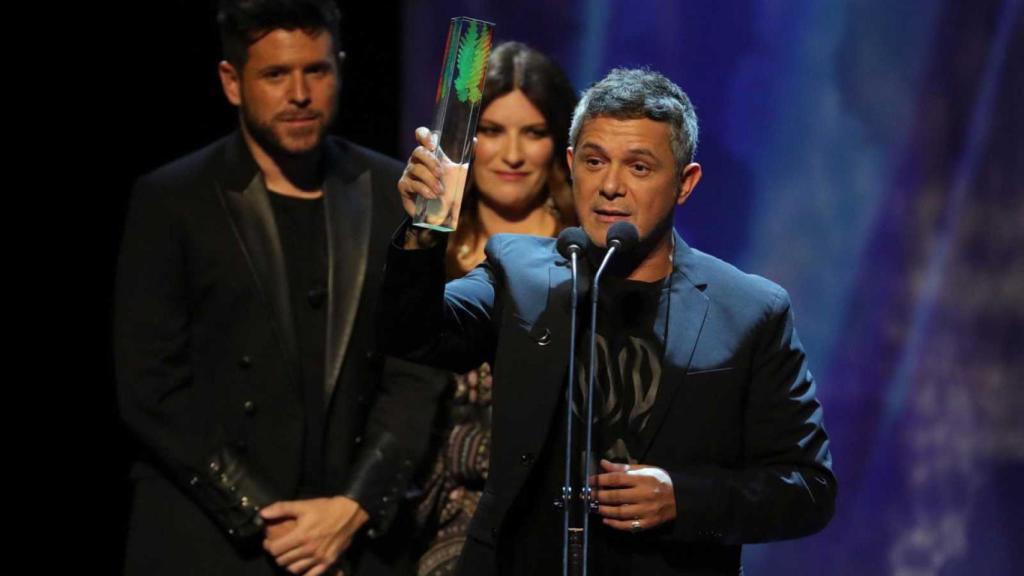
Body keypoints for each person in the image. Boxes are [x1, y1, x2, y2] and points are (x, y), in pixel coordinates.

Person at [386, 67, 836, 575]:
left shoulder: (749, 309)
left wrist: (684, 499)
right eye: (596, 162)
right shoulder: (518, 272)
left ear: (685, 183)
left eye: (640, 167)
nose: (611, 187)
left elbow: (808, 488)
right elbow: (415, 334)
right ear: (573, 164)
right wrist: (426, 226)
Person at [114, 1, 446, 574]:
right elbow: (151, 385)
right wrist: (268, 516)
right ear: (232, 82)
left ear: (339, 69)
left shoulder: (393, 190)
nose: (299, 93)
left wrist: (353, 506)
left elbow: (415, 367)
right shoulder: (173, 200)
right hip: (209, 539)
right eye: (275, 74)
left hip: (350, 539)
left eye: (316, 70)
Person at [406, 42, 578, 576]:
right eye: (492, 130)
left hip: (554, 516)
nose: (512, 155)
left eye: (534, 133)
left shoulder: (585, 253)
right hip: (432, 517)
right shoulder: (425, 248)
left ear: (561, 146)